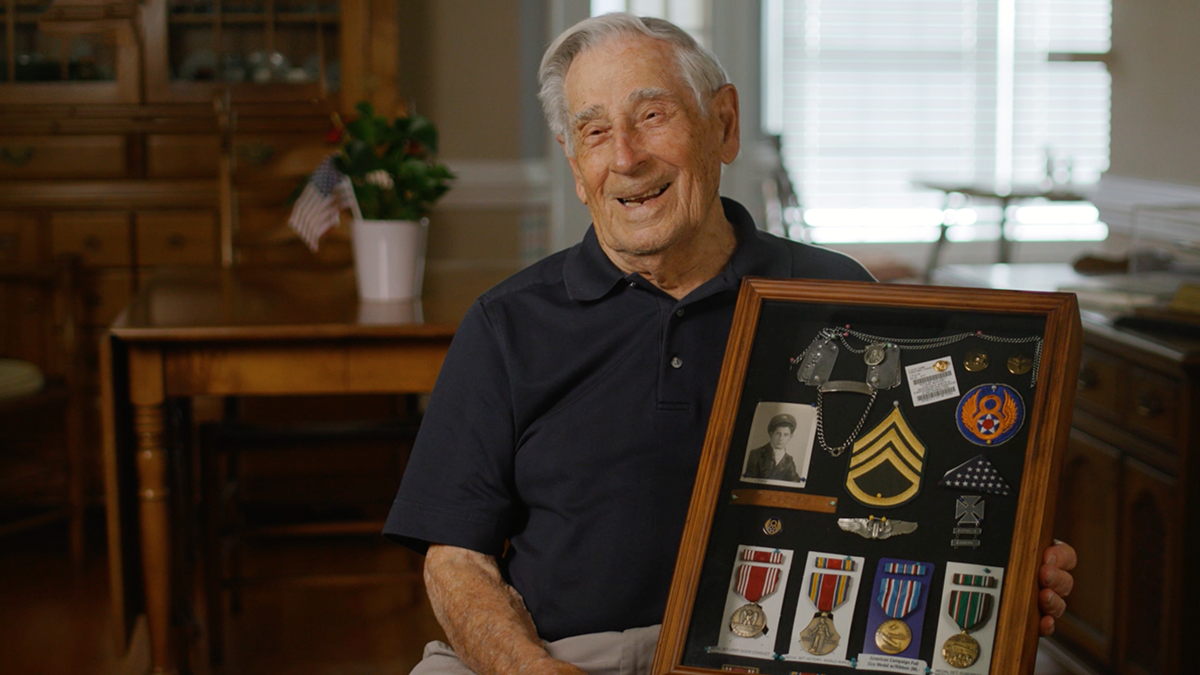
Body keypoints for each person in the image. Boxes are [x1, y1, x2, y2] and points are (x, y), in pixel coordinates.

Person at [384, 13, 1077, 675]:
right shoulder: (507, 323)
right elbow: (455, 557)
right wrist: (532, 666)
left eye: (653, 117)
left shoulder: (837, 294)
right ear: (574, 161)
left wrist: (1000, 560)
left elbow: (919, 496)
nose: (625, 157)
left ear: (723, 123)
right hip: (562, 650)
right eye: (594, 132)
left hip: (789, 648)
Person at [743, 413, 802, 482]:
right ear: (771, 434)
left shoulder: (788, 461)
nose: (781, 438)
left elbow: (795, 482)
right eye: (778, 434)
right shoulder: (755, 454)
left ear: (790, 437)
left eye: (786, 435)